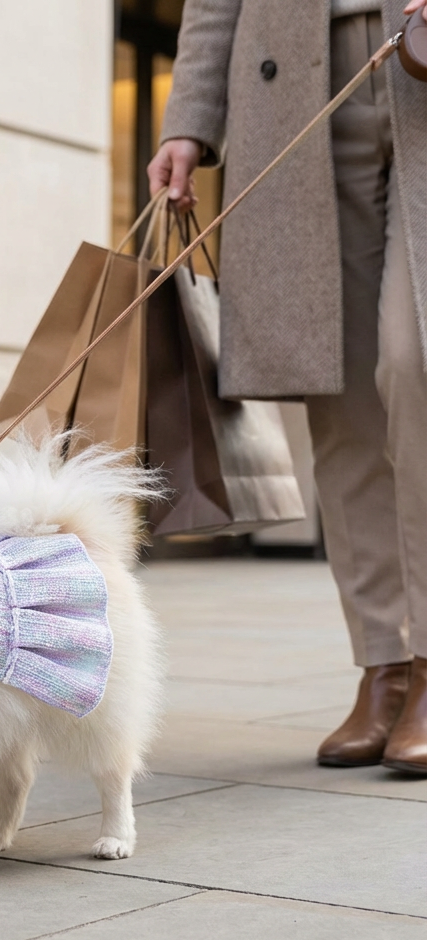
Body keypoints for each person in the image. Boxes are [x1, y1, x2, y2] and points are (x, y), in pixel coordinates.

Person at [149, 0, 427, 774]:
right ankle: (385, 666)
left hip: (422, 61)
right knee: (339, 399)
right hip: (292, 90)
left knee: (414, 368)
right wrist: (189, 119)